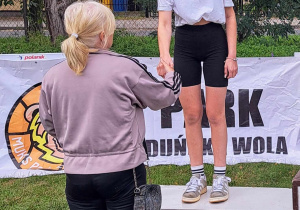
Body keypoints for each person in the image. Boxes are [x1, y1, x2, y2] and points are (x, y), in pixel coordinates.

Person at [39, 1, 181, 209]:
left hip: (76, 175)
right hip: (123, 172)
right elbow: (165, 96)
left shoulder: (53, 75)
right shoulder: (125, 68)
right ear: (103, 36)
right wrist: (170, 74)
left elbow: (49, 123)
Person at [157, 0, 238, 204]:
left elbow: (230, 16)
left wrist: (232, 56)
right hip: (185, 42)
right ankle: (197, 177)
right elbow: (165, 23)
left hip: (215, 41)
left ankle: (220, 177)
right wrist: (164, 57)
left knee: (215, 114)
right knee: (191, 114)